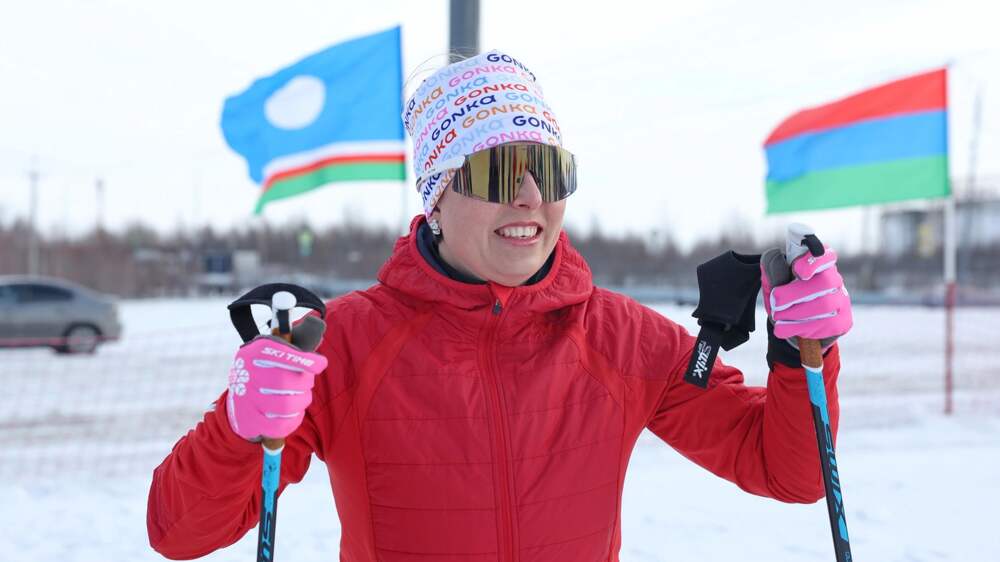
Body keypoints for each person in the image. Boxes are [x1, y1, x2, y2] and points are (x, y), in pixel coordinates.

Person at [147, 50, 853, 562]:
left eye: (547, 170)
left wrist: (803, 353)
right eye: (497, 172)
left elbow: (787, 471)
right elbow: (180, 533)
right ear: (436, 197)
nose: (529, 198)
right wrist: (238, 428)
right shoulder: (344, 344)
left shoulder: (622, 339)